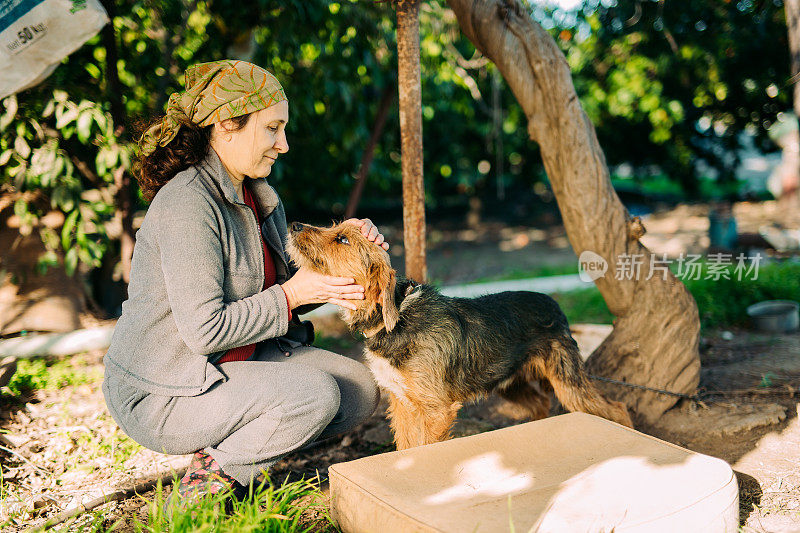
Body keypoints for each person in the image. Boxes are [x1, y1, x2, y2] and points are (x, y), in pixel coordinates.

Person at [101, 60, 382, 510]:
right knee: (314, 396)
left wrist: (340, 250)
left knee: (358, 390)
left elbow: (288, 287)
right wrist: (294, 295)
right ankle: (198, 493)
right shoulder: (188, 203)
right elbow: (206, 330)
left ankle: (236, 448)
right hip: (164, 390)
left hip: (229, 364)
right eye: (273, 129)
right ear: (226, 125)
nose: (283, 145)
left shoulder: (258, 195)